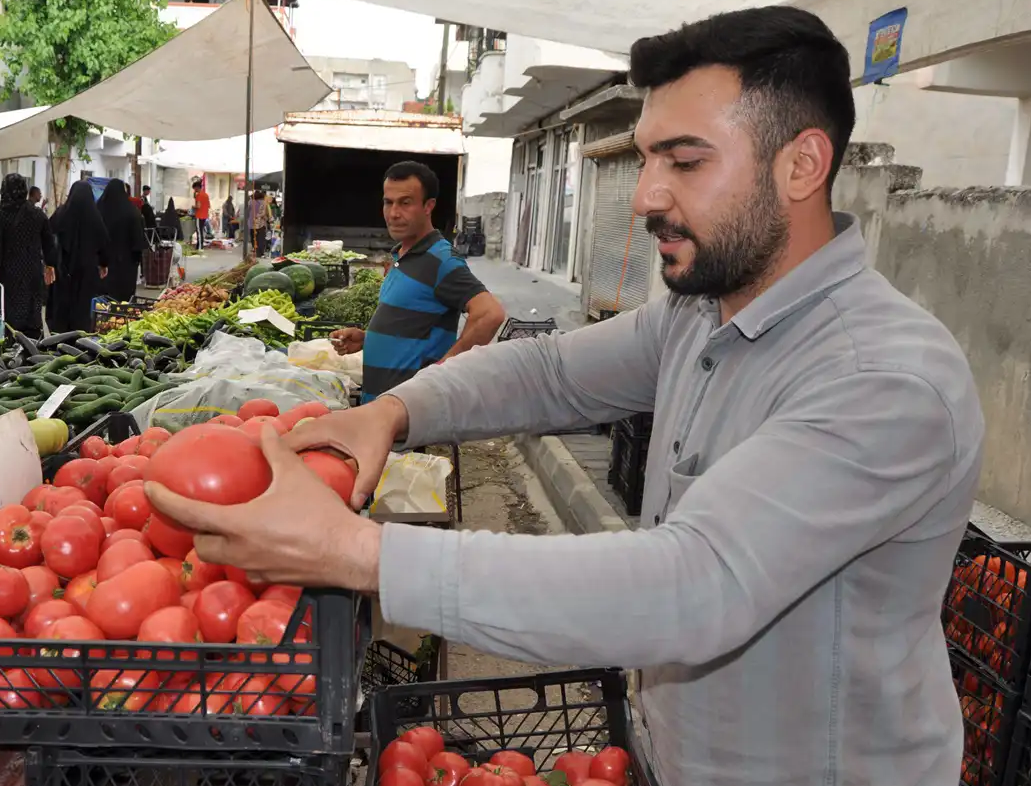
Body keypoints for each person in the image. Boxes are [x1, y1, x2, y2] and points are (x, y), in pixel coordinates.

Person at [143, 8, 983, 786]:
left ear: (802, 164)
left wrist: (362, 556)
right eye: (647, 155)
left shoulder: (883, 377)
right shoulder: (699, 313)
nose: (648, 194)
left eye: (684, 161)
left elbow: (693, 585)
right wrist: (391, 412)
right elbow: (548, 372)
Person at [329, 162, 505, 402]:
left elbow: (489, 314)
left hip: (411, 412)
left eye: (405, 202)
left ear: (428, 206)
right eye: (388, 202)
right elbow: (415, 324)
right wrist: (368, 338)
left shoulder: (441, 260)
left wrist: (444, 371)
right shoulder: (401, 255)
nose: (393, 213)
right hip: (382, 409)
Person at [0, 174, 55, 340]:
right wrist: (50, 265)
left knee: (7, 314)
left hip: (8, 273)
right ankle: (32, 351)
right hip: (32, 271)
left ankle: (9, 349)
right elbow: (49, 243)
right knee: (32, 313)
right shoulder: (38, 215)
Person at [48, 181, 109, 332]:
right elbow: (103, 241)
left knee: (62, 302)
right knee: (82, 304)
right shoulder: (95, 216)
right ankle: (81, 334)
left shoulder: (61, 212)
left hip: (63, 268)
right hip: (86, 270)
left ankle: (60, 334)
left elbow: (48, 232)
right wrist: (103, 264)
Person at [97, 179, 147, 302]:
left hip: (102, 262)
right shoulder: (132, 212)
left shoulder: (98, 210)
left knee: (103, 298)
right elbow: (138, 240)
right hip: (126, 262)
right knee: (124, 297)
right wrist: (137, 260)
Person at [192, 180, 212, 249]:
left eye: (194, 188)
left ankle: (200, 247)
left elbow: (198, 206)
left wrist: (193, 206)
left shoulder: (199, 195)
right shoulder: (206, 195)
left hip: (199, 215)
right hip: (205, 216)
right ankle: (199, 245)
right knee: (201, 231)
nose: (194, 190)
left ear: (197, 187)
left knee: (199, 231)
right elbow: (209, 206)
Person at [249, 190, 269, 257]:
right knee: (261, 238)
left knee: (254, 238)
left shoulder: (250, 202)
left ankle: (255, 250)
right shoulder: (263, 203)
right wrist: (268, 219)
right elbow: (264, 214)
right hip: (261, 224)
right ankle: (260, 253)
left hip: (252, 223)